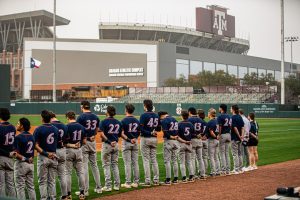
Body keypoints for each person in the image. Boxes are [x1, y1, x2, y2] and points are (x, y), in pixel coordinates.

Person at [76, 101, 102, 195]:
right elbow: (96, 129)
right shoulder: (96, 116)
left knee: (85, 166)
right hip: (93, 142)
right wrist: (93, 135)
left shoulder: (80, 117)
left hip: (85, 142)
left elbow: (79, 131)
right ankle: (99, 188)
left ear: (82, 106)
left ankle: (85, 191)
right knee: (94, 165)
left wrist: (87, 137)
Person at [33, 110, 59, 200]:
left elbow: (35, 145)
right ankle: (53, 198)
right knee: (52, 181)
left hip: (44, 157)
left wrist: (45, 153)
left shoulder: (38, 129)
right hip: (54, 156)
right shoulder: (56, 129)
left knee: (42, 181)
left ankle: (44, 198)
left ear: (43, 118)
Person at [99, 105, 121, 192]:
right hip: (116, 145)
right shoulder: (118, 122)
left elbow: (101, 134)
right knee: (115, 165)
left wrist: (108, 141)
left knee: (106, 165)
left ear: (107, 112)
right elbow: (119, 135)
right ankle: (117, 185)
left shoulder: (103, 121)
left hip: (107, 145)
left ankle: (108, 186)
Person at [65, 111, 87, 200]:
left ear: (67, 117)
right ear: (75, 117)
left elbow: (64, 143)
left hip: (69, 150)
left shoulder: (66, 127)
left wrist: (72, 145)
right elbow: (85, 141)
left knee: (68, 173)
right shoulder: (81, 127)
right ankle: (82, 193)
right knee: (80, 172)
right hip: (79, 150)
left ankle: (69, 194)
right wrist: (79, 144)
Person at [139, 99, 161, 186]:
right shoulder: (156, 115)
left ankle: (148, 181)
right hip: (154, 139)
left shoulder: (143, 115)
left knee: (146, 160)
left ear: (145, 106)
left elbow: (141, 129)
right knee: (154, 160)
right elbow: (159, 129)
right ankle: (156, 180)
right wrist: (153, 131)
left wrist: (150, 132)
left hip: (146, 138)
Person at [14, 118, 36, 200]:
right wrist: (29, 159)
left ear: (22, 126)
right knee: (31, 187)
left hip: (21, 164)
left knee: (20, 187)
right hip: (30, 165)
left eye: (18, 123)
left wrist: (26, 159)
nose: (17, 125)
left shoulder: (18, 137)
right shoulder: (32, 136)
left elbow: (15, 154)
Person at [120, 104, 140, 189]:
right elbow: (139, 132)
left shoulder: (123, 120)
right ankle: (136, 182)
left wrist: (129, 139)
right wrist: (135, 138)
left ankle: (128, 183)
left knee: (127, 163)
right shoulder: (137, 120)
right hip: (135, 142)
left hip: (127, 142)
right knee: (135, 163)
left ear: (126, 110)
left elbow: (121, 133)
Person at [49, 111, 68, 199]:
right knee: (62, 175)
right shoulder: (64, 125)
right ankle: (64, 195)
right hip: (63, 151)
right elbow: (66, 141)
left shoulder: (50, 126)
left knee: (52, 177)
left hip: (54, 152)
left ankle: (52, 197)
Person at [158, 111, 179, 185]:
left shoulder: (164, 120)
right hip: (176, 141)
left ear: (161, 116)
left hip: (168, 141)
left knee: (167, 161)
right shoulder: (175, 119)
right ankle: (176, 179)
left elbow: (165, 132)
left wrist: (171, 136)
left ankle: (168, 179)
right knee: (174, 160)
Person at [0, 108, 16, 198]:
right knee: (10, 184)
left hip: (1, 158)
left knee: (1, 184)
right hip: (10, 158)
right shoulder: (13, 127)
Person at [187, 107, 206, 180]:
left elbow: (189, 132)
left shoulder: (189, 120)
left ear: (189, 112)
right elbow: (204, 130)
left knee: (192, 158)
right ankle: (202, 174)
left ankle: (194, 174)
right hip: (199, 140)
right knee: (200, 158)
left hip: (193, 140)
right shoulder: (201, 120)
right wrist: (201, 135)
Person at [177, 110, 194, 183]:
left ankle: (184, 178)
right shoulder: (191, 124)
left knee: (182, 162)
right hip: (189, 144)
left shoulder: (179, 124)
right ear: (188, 116)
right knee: (189, 161)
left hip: (182, 143)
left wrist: (184, 141)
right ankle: (191, 176)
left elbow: (177, 136)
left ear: (181, 116)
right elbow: (193, 134)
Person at [206, 108, 221, 177]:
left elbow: (211, 132)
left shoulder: (210, 122)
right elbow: (219, 130)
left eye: (208, 113)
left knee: (211, 157)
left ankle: (213, 171)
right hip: (217, 140)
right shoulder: (217, 121)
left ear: (210, 114)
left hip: (212, 140)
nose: (208, 114)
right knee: (216, 156)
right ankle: (218, 171)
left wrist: (215, 137)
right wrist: (218, 136)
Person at [217, 104, 232, 175]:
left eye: (219, 108)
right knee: (227, 153)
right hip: (228, 134)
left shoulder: (220, 116)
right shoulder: (229, 116)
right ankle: (228, 170)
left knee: (222, 153)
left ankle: (223, 170)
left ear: (221, 109)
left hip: (222, 134)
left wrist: (219, 134)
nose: (219, 109)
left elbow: (219, 126)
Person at [230, 105, 245, 174]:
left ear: (233, 109)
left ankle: (236, 169)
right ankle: (240, 168)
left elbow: (235, 128)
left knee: (235, 154)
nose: (230, 109)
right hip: (240, 138)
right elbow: (242, 127)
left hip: (234, 137)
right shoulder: (240, 116)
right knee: (239, 154)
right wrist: (242, 136)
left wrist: (239, 135)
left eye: (231, 108)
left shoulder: (232, 117)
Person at [197, 109, 208, 175]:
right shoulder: (206, 123)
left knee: (199, 158)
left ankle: (200, 171)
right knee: (204, 157)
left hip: (200, 140)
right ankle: (205, 171)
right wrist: (205, 136)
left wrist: (201, 137)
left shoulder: (198, 122)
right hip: (205, 140)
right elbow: (208, 132)